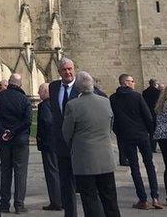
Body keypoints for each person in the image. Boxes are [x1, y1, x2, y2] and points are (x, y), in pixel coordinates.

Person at [62, 71, 120, 217]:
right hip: (105, 157)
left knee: (90, 198)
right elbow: (110, 125)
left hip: (84, 159)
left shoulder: (73, 105)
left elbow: (66, 133)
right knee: (110, 197)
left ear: (77, 88)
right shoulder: (105, 101)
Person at [109, 73, 160, 210]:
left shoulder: (113, 98)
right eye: (132, 81)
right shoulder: (137, 96)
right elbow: (147, 116)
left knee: (134, 168)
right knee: (149, 165)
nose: (134, 83)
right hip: (142, 134)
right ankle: (155, 197)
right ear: (125, 82)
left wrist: (119, 133)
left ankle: (142, 199)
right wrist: (150, 132)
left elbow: (112, 119)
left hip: (126, 136)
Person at [49, 57, 84, 217]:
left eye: (70, 69)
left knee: (86, 184)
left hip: (80, 143)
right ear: (59, 72)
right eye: (64, 70)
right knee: (66, 184)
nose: (67, 72)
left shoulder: (81, 87)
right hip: (61, 144)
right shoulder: (53, 87)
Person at [0, 73, 32, 213]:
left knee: (5, 171)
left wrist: (5, 131)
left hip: (5, 139)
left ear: (9, 82)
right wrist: (14, 131)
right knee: (20, 172)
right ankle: (19, 204)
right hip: (20, 139)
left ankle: (4, 204)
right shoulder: (24, 99)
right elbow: (27, 121)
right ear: (20, 84)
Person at [37, 82, 62, 212]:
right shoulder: (56, 102)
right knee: (58, 171)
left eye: (40, 91)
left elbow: (47, 122)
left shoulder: (45, 105)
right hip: (57, 143)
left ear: (46, 92)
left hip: (49, 144)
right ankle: (61, 199)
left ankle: (56, 201)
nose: (38, 93)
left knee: (52, 172)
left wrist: (45, 138)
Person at [142, 79, 161, 153]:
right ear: (155, 84)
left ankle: (150, 146)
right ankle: (154, 147)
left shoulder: (145, 92)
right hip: (155, 113)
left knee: (150, 131)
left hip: (148, 113)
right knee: (156, 131)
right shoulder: (158, 92)